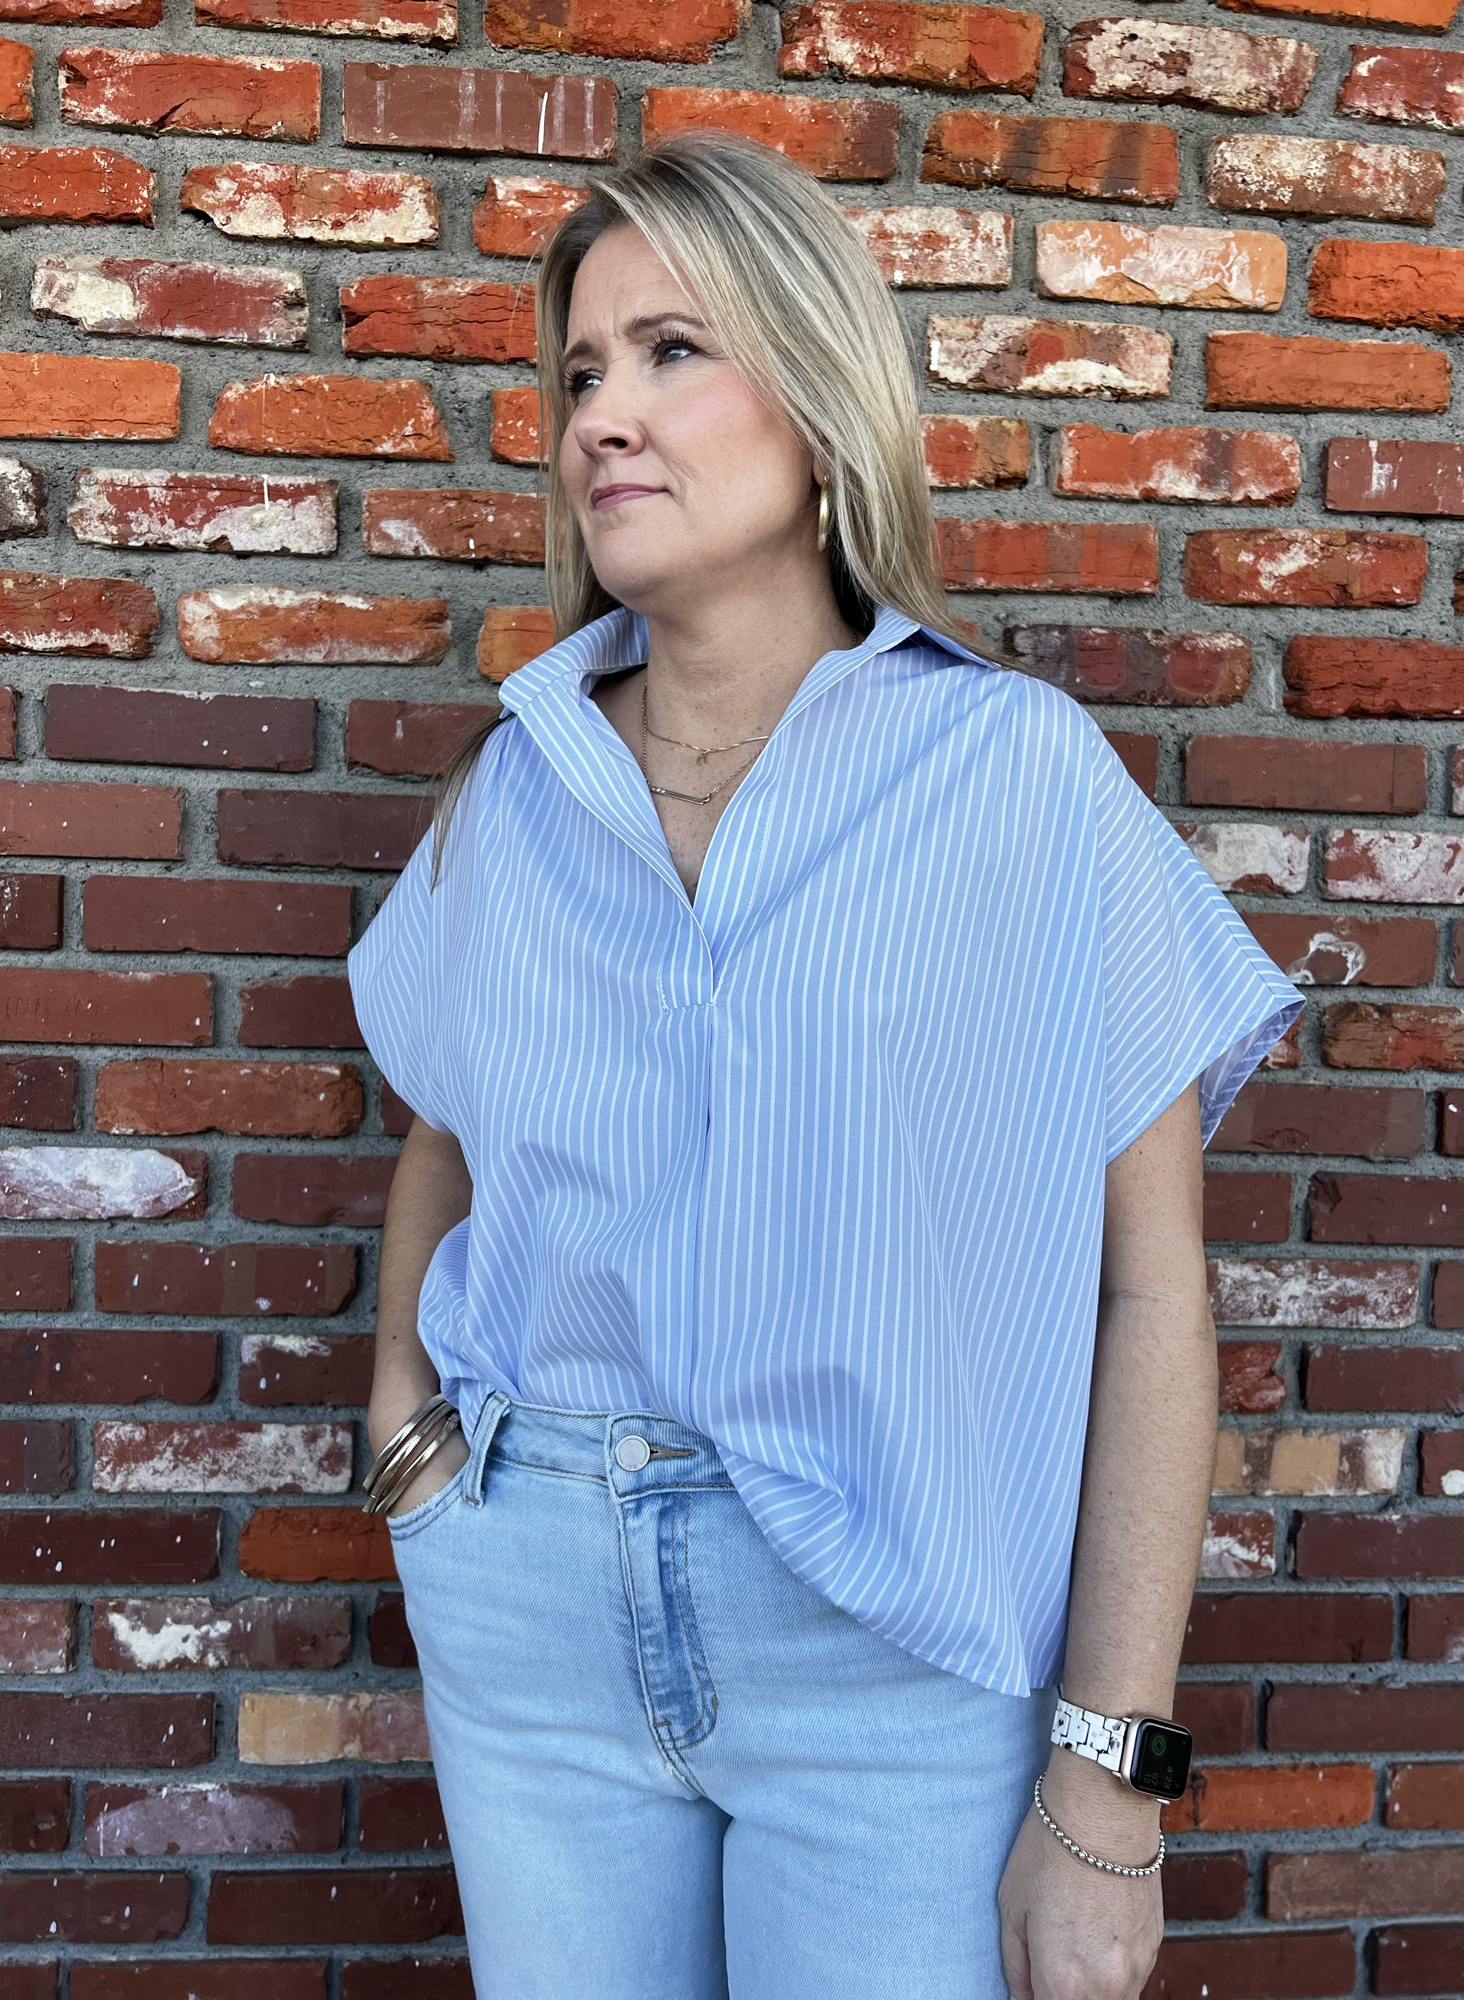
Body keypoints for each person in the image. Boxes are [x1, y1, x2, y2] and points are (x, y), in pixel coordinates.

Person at [347, 132, 1304, 2000]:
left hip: (895, 1648)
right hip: (531, 1618)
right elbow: (447, 1139)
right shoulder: (519, 785)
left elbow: (1150, 1292)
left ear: (818, 399)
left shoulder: (1016, 780)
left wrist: (1109, 1787)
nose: (602, 418)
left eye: (670, 351)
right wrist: (408, 1430)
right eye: (578, 373)